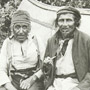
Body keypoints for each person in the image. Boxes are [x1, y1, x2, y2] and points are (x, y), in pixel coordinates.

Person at [43, 6, 90, 90]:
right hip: (55, 84)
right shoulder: (51, 41)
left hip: (76, 83)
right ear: (57, 23)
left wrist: (80, 87)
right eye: (61, 20)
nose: (64, 24)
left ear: (76, 22)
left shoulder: (86, 40)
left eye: (69, 20)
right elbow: (45, 71)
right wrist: (47, 65)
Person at [0, 10, 44, 90]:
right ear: (12, 28)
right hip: (13, 81)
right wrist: (10, 87)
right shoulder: (8, 43)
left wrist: (32, 79)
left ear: (29, 28)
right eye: (17, 27)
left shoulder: (36, 40)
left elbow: (46, 65)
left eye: (24, 27)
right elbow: (1, 69)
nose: (21, 31)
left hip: (33, 80)